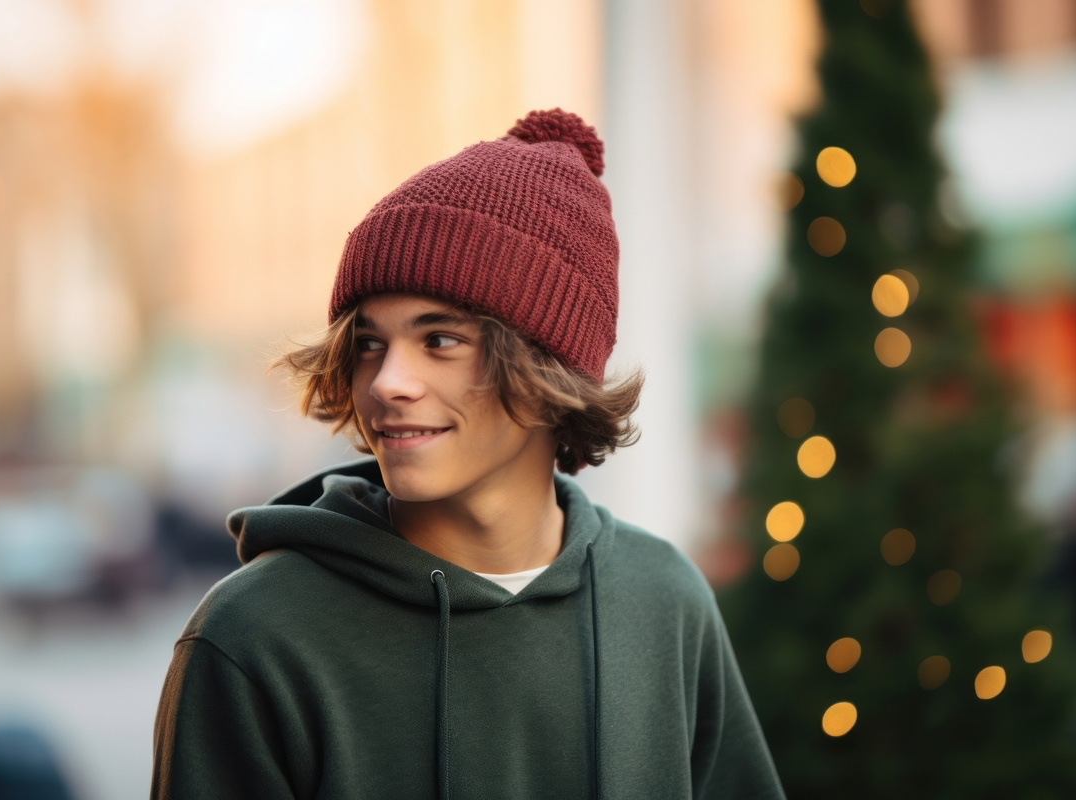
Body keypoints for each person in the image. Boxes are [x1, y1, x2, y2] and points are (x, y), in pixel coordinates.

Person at [151, 109, 784, 799]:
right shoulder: (252, 640)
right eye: (368, 343)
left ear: (547, 366)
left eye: (440, 340)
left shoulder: (662, 602)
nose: (388, 382)